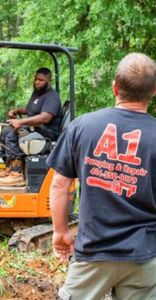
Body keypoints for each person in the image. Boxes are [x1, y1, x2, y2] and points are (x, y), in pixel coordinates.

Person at [46, 53, 156, 300]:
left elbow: (60, 185)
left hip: (93, 251)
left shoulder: (82, 126)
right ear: (154, 91)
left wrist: (60, 232)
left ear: (115, 87)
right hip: (144, 255)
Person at [0, 67, 62, 187]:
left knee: (13, 134)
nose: (37, 82)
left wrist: (20, 122)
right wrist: (17, 110)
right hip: (36, 128)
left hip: (47, 133)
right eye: (36, 79)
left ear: (48, 81)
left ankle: (17, 175)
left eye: (41, 80)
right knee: (5, 131)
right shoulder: (37, 93)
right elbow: (30, 109)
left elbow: (45, 117)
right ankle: (10, 167)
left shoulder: (52, 97)